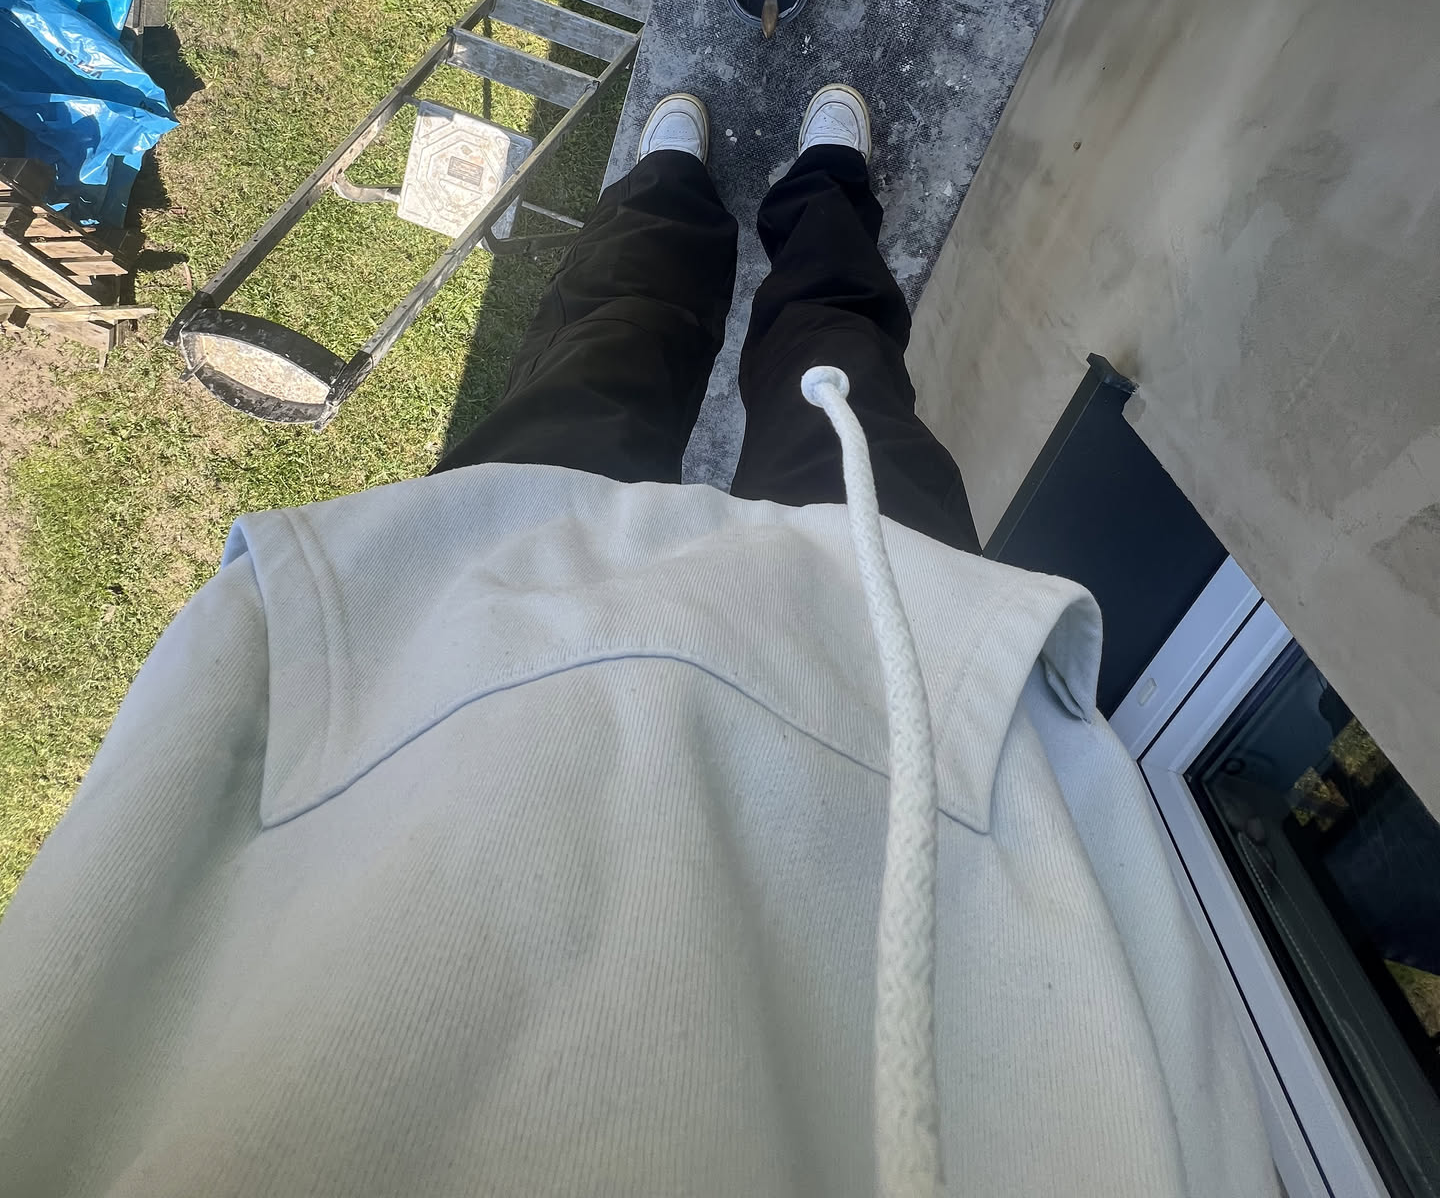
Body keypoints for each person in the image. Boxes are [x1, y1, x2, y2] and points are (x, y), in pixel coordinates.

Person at [0, 86, 1273, 1198]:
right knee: (840, 355)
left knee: (605, 350)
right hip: (903, 702)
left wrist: (284, 652)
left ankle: (671, 184)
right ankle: (823, 185)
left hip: (463, 654)